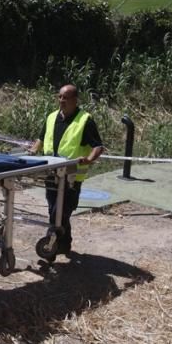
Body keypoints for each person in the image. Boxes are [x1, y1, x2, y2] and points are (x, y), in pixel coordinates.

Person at [31, 84, 103, 257]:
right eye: (60, 97)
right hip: (51, 173)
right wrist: (33, 150)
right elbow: (41, 139)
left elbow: (98, 146)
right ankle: (64, 244)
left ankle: (51, 244)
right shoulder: (51, 117)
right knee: (54, 211)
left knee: (60, 212)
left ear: (75, 100)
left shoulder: (85, 120)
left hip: (71, 177)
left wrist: (89, 160)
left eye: (66, 98)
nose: (62, 101)